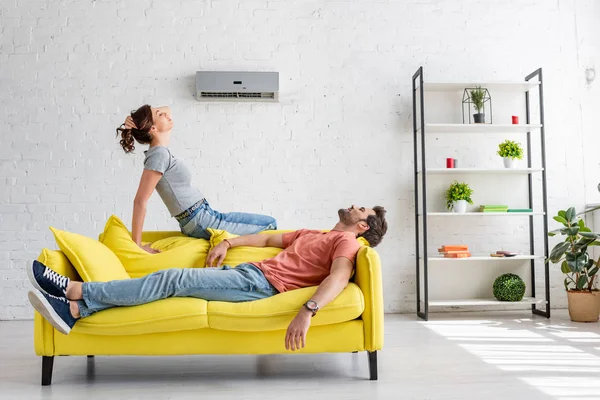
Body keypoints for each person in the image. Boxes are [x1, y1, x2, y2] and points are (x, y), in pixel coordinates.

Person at [28, 205, 387, 351]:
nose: (354, 205)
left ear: (363, 225)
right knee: (169, 288)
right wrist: (229, 242)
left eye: (362, 209)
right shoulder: (316, 233)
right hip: (246, 273)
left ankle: (76, 290)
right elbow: (266, 238)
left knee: (172, 280)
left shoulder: (346, 242)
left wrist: (308, 310)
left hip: (258, 286)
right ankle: (75, 311)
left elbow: (340, 277)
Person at [115, 104, 277, 253]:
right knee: (269, 224)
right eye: (160, 114)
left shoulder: (161, 152)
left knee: (267, 224)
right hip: (199, 219)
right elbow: (140, 201)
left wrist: (140, 118)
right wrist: (137, 245)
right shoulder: (158, 155)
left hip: (205, 215)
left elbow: (168, 109)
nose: (166, 114)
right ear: (153, 128)